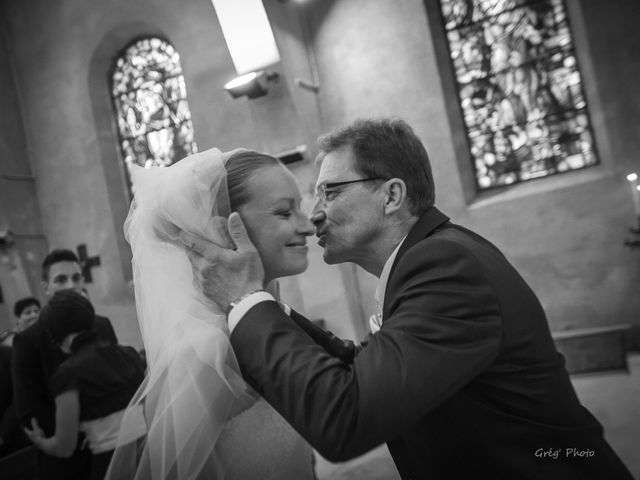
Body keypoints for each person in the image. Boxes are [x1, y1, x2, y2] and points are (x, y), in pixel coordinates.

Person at [182, 118, 634, 480]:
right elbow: (368, 370)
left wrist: (245, 298)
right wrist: (266, 309)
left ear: (392, 195)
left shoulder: (445, 267)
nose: (314, 214)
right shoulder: (435, 258)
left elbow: (347, 417)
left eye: (330, 192)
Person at [106, 148, 317, 479]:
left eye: (300, 209)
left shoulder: (273, 322)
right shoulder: (203, 357)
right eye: (283, 213)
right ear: (225, 230)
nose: (309, 227)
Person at [11, 249, 119, 480]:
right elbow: (29, 408)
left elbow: (115, 378)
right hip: (67, 463)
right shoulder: (27, 340)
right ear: (46, 287)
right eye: (61, 279)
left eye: (76, 277)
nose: (71, 285)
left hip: (116, 450)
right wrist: (84, 428)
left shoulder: (102, 325)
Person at [23, 289, 145, 480]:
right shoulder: (130, 354)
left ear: (54, 333)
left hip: (111, 465)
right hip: (150, 453)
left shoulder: (67, 375)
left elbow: (65, 447)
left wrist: (39, 441)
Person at [0, 298, 40, 456]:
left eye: (36, 311)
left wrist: (2, 434)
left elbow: (19, 394)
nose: (33, 315)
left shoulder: (6, 354)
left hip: (16, 443)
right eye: (28, 312)